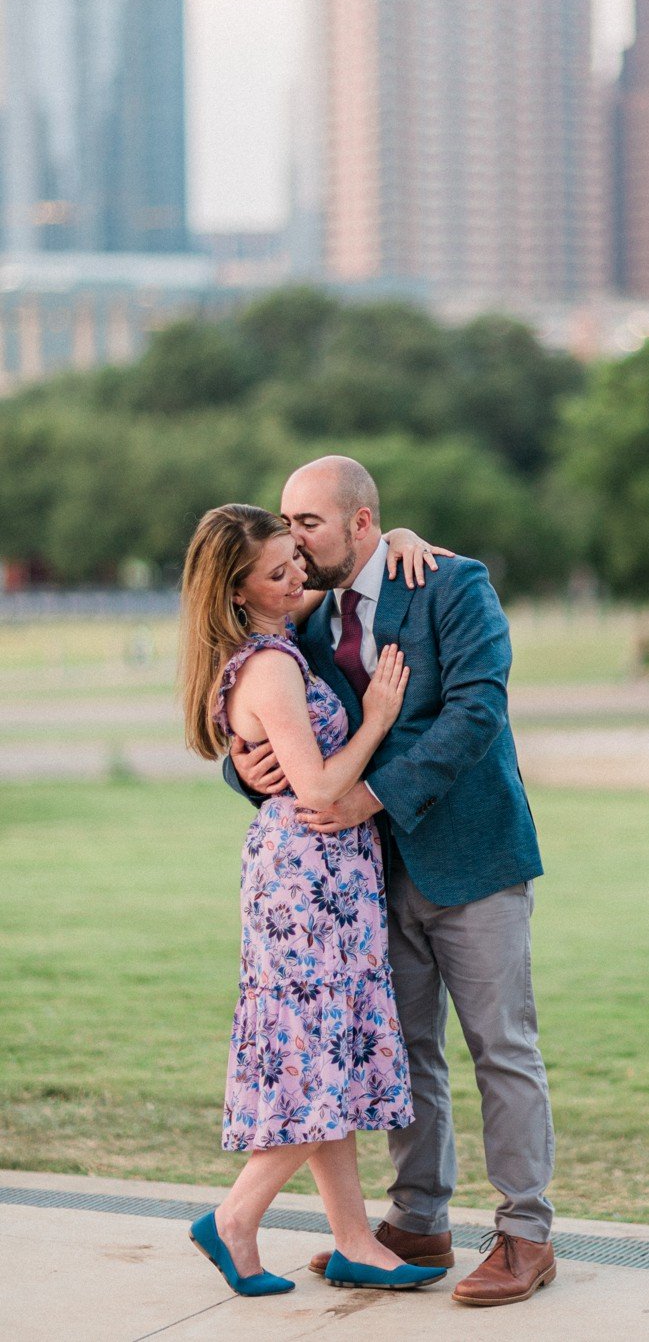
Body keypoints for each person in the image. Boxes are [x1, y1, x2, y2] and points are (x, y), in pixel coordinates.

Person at [225, 455, 558, 1307]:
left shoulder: (450, 584)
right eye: (286, 526)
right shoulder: (298, 612)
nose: (291, 543)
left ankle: (525, 1234)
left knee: (501, 1049)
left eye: (308, 524)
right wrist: (244, 768)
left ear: (363, 523)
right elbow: (271, 710)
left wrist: (371, 794)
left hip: (472, 859)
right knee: (407, 1056)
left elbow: (477, 709)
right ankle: (418, 1219)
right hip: (367, 880)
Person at [178, 503, 447, 1296]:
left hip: (328, 871)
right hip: (308, 879)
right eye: (277, 571)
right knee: (320, 1058)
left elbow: (347, 556)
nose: (297, 576)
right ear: (238, 591)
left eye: (296, 557)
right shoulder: (270, 666)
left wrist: (395, 535)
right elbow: (324, 786)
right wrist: (378, 718)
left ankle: (355, 1240)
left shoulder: (274, 642)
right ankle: (233, 1218)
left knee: (328, 1045)